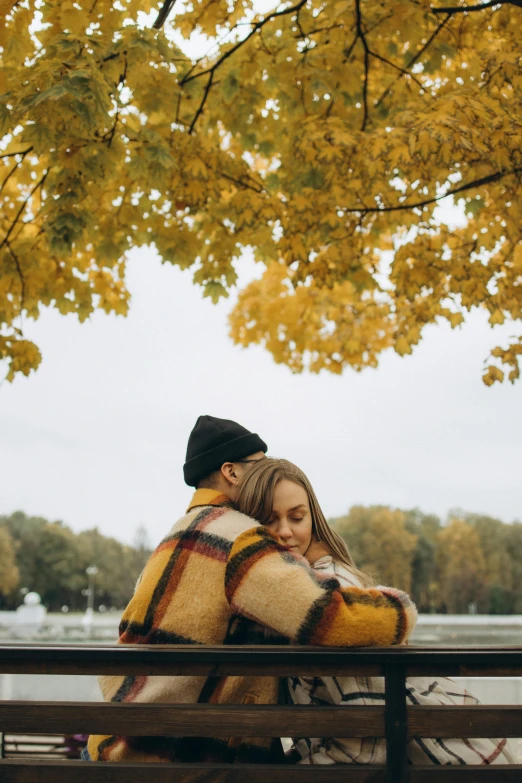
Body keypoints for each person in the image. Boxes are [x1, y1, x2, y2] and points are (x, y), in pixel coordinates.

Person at [86, 416, 417, 764]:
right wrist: (401, 608)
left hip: (114, 746)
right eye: (261, 466)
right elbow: (332, 618)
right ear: (232, 472)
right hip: (175, 761)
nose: (271, 474)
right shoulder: (239, 537)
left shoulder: (174, 537)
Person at [235, 458, 519, 766]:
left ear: (313, 520)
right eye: (269, 520)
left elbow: (366, 746)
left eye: (297, 517)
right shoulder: (297, 596)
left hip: (449, 765)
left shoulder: (330, 598)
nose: (286, 531)